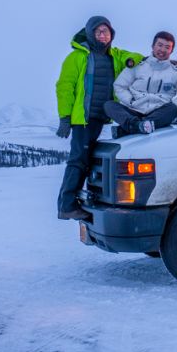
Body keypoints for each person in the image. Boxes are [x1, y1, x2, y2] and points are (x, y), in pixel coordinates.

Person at [55, 16, 143, 220]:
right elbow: (64, 87)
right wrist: (65, 117)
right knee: (78, 160)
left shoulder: (115, 55)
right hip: (83, 119)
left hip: (98, 118)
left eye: (107, 31)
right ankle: (66, 205)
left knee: (86, 161)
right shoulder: (77, 57)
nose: (103, 35)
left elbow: (137, 56)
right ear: (90, 34)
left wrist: (142, 61)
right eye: (98, 31)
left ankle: (72, 202)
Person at [106, 31, 177, 137]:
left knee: (173, 109)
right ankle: (138, 125)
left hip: (158, 113)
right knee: (109, 105)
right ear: (153, 46)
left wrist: (174, 104)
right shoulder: (138, 66)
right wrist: (130, 100)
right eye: (160, 45)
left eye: (167, 47)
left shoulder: (176, 73)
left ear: (171, 50)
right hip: (134, 110)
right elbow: (119, 85)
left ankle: (131, 128)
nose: (162, 50)